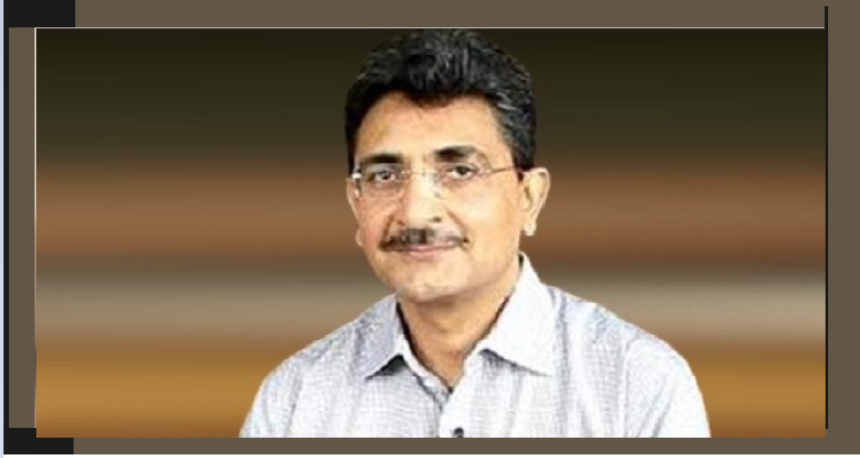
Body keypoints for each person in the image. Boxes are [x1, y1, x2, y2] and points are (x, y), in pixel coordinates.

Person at [240, 29, 709, 438]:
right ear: (355, 201)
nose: (417, 212)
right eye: (385, 175)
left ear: (529, 197)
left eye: (460, 171)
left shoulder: (635, 384)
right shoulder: (297, 399)